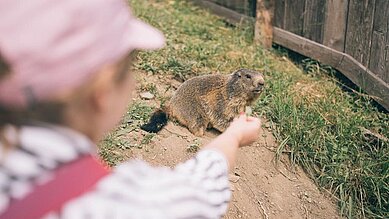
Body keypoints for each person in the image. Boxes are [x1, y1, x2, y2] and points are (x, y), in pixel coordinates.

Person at [0, 0, 261, 218]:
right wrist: (233, 136)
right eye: (129, 69)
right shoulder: (122, 201)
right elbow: (202, 190)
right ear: (101, 92)